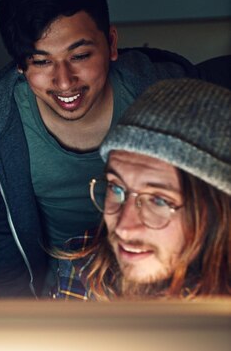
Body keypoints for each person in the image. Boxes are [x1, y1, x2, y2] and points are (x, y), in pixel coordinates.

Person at [0, 0, 207, 297]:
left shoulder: (168, 100)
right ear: (20, 65)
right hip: (62, 293)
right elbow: (3, 250)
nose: (64, 81)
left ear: (110, 43)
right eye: (41, 61)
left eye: (79, 56)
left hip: (164, 283)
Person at [54, 78, 230, 299]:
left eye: (158, 200)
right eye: (116, 188)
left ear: (220, 213)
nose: (124, 228)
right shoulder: (83, 267)